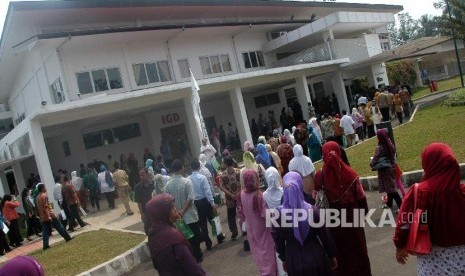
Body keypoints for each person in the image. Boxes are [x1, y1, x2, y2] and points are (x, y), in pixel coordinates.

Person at [394, 143, 465, 275]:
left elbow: (404, 223)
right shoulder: (462, 193)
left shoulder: (419, 192)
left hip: (431, 262)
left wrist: (399, 246)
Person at [315, 141, 372, 276]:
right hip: (353, 220)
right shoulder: (350, 174)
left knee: (339, 256)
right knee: (358, 252)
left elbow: (316, 199)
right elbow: (361, 198)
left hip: (332, 223)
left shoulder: (320, 176)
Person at [271, 172, 337, 275]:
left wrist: (284, 258)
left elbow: (277, 240)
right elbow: (325, 236)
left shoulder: (278, 215)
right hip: (316, 257)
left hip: (293, 259)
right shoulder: (313, 210)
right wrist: (331, 255)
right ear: (300, 186)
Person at [145, 194, 206, 275]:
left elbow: (156, 265)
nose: (176, 210)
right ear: (163, 213)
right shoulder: (173, 237)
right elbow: (193, 269)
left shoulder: (152, 235)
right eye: (172, 208)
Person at [237, 169, 277, 276]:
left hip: (250, 229)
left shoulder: (241, 194)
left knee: (258, 253)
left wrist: (242, 227)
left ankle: (263, 272)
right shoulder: (258, 195)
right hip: (262, 229)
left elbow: (240, 214)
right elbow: (265, 215)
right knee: (267, 253)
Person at [164, 160, 203, 263]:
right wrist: (183, 211)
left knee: (183, 239)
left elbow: (168, 202)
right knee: (195, 236)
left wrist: (177, 212)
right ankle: (197, 256)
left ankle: (190, 257)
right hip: (189, 215)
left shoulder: (168, 185)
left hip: (177, 218)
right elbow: (190, 198)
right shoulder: (187, 181)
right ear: (181, 168)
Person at [189, 160, 224, 251]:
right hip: (205, 201)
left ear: (191, 168)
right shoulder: (202, 177)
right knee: (212, 219)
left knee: (202, 224)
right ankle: (219, 237)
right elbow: (207, 191)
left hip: (196, 203)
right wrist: (212, 203)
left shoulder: (188, 179)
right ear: (199, 167)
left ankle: (208, 243)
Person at [370, 129, 402, 210]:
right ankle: (389, 203)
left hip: (385, 170)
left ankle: (401, 207)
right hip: (392, 167)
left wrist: (371, 163)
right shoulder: (390, 143)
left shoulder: (379, 148)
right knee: (389, 187)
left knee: (392, 190)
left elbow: (375, 158)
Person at [36, 183, 72, 250]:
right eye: (44, 187)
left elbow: (39, 208)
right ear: (42, 188)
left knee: (45, 231)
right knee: (59, 226)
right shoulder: (44, 196)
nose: (45, 188)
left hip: (43, 216)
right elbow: (46, 207)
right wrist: (49, 216)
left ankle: (45, 245)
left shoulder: (37, 197)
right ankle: (67, 237)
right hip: (50, 214)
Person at [219, 156, 241, 240]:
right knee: (242, 212)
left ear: (225, 164)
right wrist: (238, 193)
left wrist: (230, 194)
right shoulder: (238, 171)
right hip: (239, 196)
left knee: (231, 215)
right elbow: (242, 183)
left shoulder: (222, 174)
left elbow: (221, 187)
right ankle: (244, 229)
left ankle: (234, 231)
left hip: (229, 198)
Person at [135, 168, 154, 234]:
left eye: (143, 175)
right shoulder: (137, 187)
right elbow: (138, 201)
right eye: (140, 175)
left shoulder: (153, 184)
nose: (141, 177)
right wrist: (142, 214)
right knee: (148, 230)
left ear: (147, 174)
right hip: (146, 212)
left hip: (155, 210)